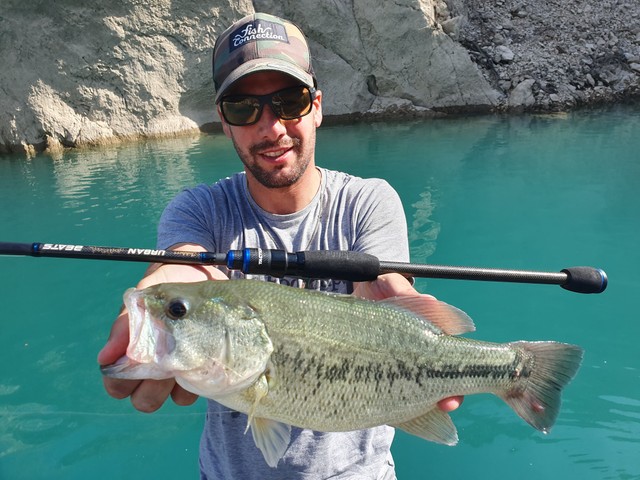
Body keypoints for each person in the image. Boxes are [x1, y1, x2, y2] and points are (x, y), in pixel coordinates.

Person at [98, 12, 462, 479]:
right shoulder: (198, 210)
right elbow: (184, 268)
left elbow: (391, 290)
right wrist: (166, 291)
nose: (270, 128)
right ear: (224, 123)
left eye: (289, 101)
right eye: (244, 108)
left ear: (318, 107)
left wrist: (395, 297)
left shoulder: (369, 201)